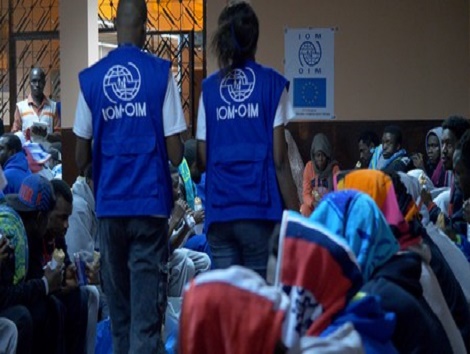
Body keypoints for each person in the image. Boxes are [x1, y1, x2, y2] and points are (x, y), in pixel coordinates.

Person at [73, 0, 186, 352]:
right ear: (146, 27)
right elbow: (176, 153)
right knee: (146, 320)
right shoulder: (159, 73)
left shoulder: (91, 79)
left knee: (119, 317)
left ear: (116, 25)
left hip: (110, 212)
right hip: (150, 212)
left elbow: (79, 157)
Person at [195, 1, 299, 279]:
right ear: (255, 38)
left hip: (220, 213)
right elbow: (280, 160)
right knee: (257, 301)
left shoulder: (209, 90)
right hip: (259, 211)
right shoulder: (272, 84)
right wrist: (297, 214)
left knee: (228, 303)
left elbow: (203, 157)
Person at [12, 67, 61, 142]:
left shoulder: (53, 107)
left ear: (44, 83)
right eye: (34, 81)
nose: (37, 85)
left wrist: (46, 135)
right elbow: (15, 134)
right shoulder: (21, 107)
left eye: (40, 81)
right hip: (27, 152)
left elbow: (59, 134)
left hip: (48, 152)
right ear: (29, 83)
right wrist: (26, 134)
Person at [300, 133, 339, 217]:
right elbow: (306, 193)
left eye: (323, 155)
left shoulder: (334, 168)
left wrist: (327, 204)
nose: (320, 159)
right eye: (318, 155)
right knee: (304, 208)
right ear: (313, 156)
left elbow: (338, 192)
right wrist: (313, 203)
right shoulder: (309, 167)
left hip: (329, 205)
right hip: (314, 205)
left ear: (328, 156)